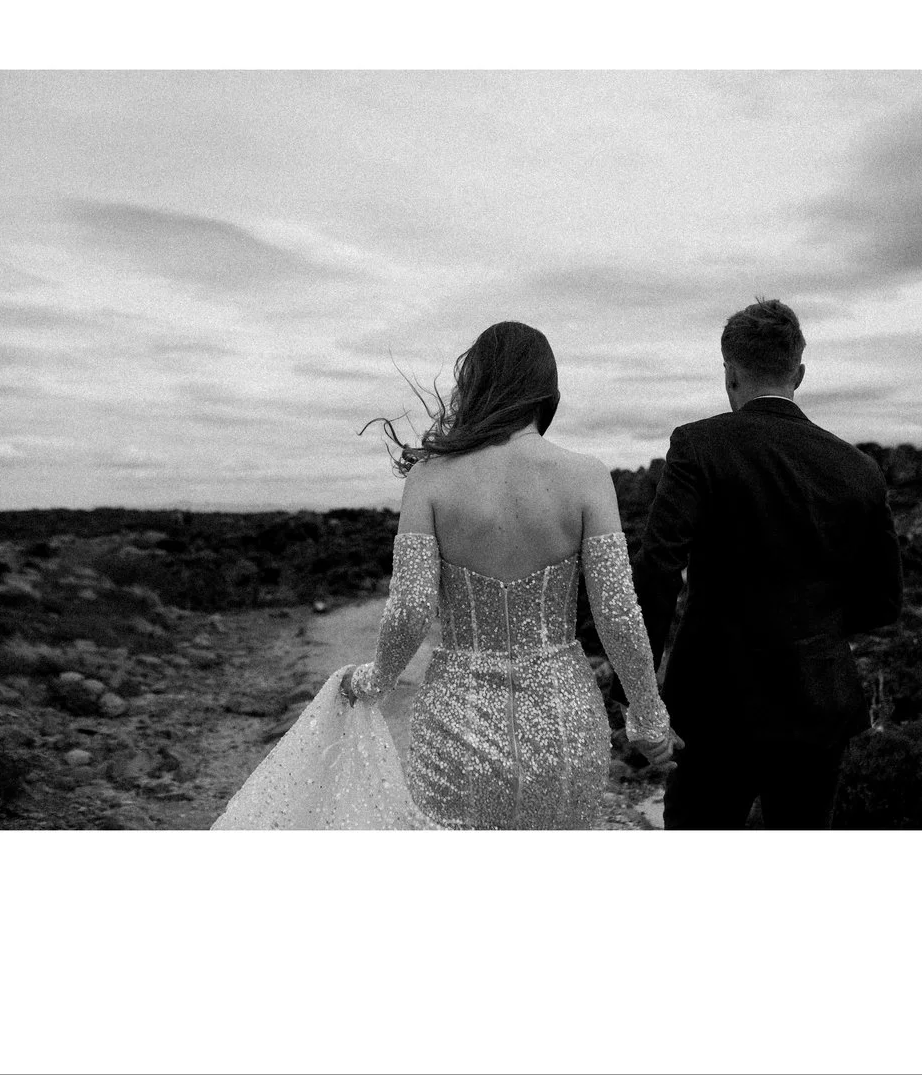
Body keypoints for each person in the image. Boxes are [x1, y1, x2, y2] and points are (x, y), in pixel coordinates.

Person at [214, 322, 673, 829]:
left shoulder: (430, 478)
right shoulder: (587, 476)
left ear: (476, 385)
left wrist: (375, 679)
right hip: (563, 725)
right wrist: (649, 718)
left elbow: (410, 609)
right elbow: (616, 614)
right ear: (547, 391)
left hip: (458, 725)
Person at [632, 299, 903, 830]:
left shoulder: (698, 445)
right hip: (819, 704)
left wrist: (637, 696)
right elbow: (883, 602)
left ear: (729, 372)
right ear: (799, 373)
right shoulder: (859, 467)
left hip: (714, 703)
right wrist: (814, 632)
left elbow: (658, 569)